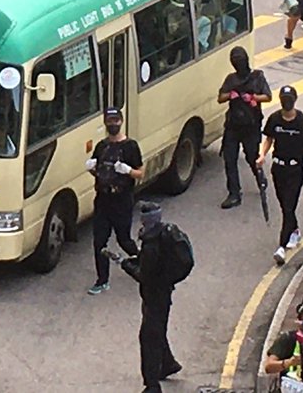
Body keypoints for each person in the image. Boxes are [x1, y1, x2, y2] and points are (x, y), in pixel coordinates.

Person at [118, 201, 185, 393]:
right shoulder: (163, 235)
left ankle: (152, 385)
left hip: (155, 295)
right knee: (156, 329)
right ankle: (168, 364)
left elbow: (143, 275)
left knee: (149, 338)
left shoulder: (151, 245)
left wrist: (126, 265)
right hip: (163, 292)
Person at [258, 85, 303, 265]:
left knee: (288, 206)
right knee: (284, 203)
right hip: (278, 168)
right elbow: (269, 138)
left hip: (295, 168)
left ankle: (281, 247)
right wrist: (262, 155)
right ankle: (295, 230)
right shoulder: (275, 119)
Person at [86, 108, 144, 295]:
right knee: (99, 242)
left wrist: (127, 170)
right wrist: (92, 169)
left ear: (121, 121)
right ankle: (102, 280)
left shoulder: (130, 146)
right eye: (109, 121)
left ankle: (142, 262)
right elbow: (98, 170)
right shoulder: (102, 146)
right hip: (103, 199)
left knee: (123, 239)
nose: (113, 124)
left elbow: (140, 173)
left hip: (122, 200)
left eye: (115, 120)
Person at [217, 46, 272, 210]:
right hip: (233, 125)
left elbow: (268, 96)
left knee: (251, 156)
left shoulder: (257, 77)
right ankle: (234, 193)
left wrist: (254, 98)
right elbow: (220, 97)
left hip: (251, 125)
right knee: (230, 159)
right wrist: (230, 95)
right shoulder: (231, 79)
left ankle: (260, 179)